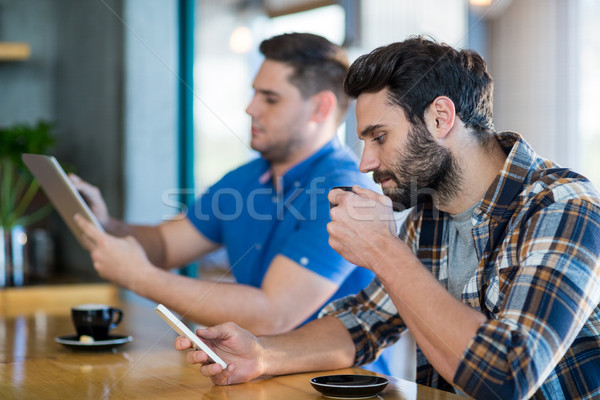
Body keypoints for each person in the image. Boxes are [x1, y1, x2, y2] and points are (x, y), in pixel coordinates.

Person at [174, 36, 600, 399]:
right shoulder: (429, 214)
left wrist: (384, 250)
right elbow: (364, 323)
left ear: (440, 117)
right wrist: (263, 354)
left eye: (379, 137)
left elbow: (510, 375)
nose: (365, 162)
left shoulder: (563, 206)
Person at [73, 33, 401, 375]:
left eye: (270, 99)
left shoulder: (343, 190)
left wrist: (140, 278)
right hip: (252, 371)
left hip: (340, 385)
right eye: (254, 93)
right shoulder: (244, 179)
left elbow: (274, 314)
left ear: (321, 108)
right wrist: (106, 225)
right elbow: (166, 245)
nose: (250, 108)